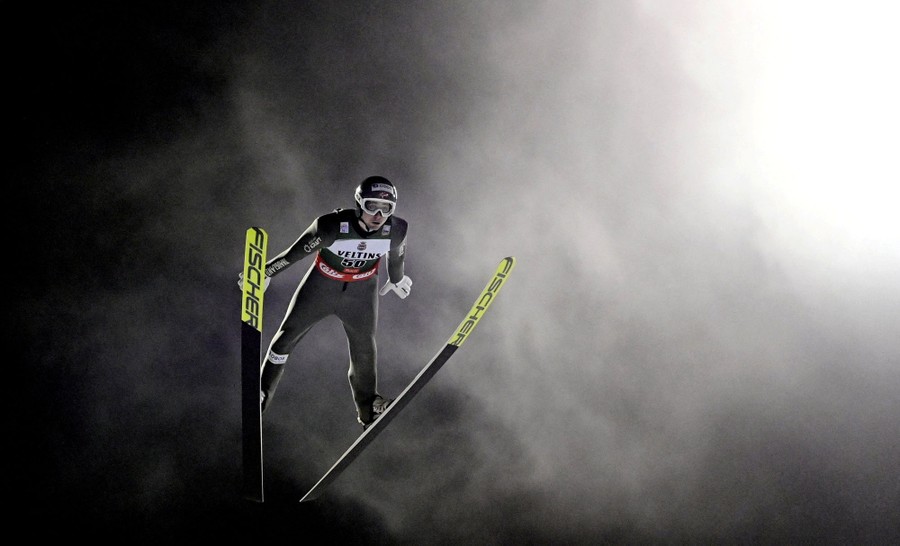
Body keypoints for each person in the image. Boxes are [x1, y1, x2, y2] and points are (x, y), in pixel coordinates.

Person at [240, 176, 411, 429]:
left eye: (386, 208)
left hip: (361, 292)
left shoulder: (396, 230)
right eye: (371, 206)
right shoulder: (331, 226)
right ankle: (262, 392)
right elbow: (294, 254)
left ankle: (369, 409)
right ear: (358, 204)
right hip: (322, 286)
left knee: (365, 349)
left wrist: (397, 279)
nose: (377, 214)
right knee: (286, 337)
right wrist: (265, 273)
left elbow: (396, 257)